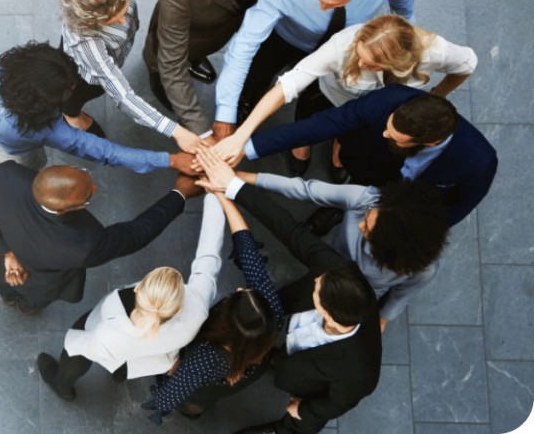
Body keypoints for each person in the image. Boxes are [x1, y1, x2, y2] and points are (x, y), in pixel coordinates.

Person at [194, 150, 381, 434]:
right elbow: (288, 229)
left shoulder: (360, 373)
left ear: (326, 313)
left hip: (304, 384)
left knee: (300, 425)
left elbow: (337, 403)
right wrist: (231, 187)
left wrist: (305, 410)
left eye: (317, 289)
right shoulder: (338, 271)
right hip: (285, 333)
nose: (315, 279)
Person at [213, 14, 476, 176]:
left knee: (353, 135)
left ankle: (339, 146)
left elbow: (467, 64)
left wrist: (438, 94)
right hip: (330, 96)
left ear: (398, 63)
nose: (360, 64)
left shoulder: (435, 52)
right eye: (359, 55)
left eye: (372, 64)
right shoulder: (342, 45)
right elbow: (289, 83)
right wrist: (241, 135)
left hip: (377, 112)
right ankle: (302, 145)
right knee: (308, 119)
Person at [37, 189, 229, 401]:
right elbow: (209, 254)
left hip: (111, 346)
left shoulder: (106, 333)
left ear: (138, 289)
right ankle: (119, 375)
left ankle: (62, 384)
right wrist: (216, 193)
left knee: (77, 348)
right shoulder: (199, 306)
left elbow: (82, 347)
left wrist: (215, 192)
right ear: (179, 308)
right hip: (148, 359)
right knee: (125, 364)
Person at [228, 84, 497, 234]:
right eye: (388, 126)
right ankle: (343, 202)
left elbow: (454, 211)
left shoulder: (479, 162)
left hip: (408, 196)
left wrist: (402, 231)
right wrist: (246, 147)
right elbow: (323, 124)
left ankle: (343, 210)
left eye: (395, 137)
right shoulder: (390, 99)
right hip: (369, 160)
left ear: (430, 143)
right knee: (356, 179)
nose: (384, 133)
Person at [211, 0, 415, 142]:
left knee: (322, 95)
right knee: (256, 74)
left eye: (334, 3)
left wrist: (406, 36)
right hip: (288, 37)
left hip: (347, 44)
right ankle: (245, 102)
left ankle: (305, 127)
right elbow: (244, 44)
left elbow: (404, 1)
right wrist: (225, 115)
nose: (323, 7)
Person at [0, 162, 202, 312]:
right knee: (34, 301)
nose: (95, 187)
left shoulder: (5, 176)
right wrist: (179, 193)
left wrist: (5, 250)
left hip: (2, 260)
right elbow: (136, 234)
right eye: (87, 197)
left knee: (3, 284)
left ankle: (7, 295)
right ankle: (25, 306)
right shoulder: (83, 245)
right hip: (44, 282)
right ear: (62, 211)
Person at [141, 175, 283, 426]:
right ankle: (195, 410)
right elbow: (249, 253)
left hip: (204, 376)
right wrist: (222, 194)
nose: (240, 287)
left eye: (237, 295)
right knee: (203, 395)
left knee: (193, 396)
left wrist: (173, 369)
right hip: (245, 372)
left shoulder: (206, 357)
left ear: (225, 323)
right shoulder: (270, 311)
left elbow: (168, 395)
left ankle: (192, 411)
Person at [229, 172, 449, 327]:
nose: (361, 225)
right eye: (366, 217)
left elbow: (401, 295)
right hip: (328, 259)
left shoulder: (423, 269)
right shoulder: (367, 199)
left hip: (356, 292)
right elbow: (305, 189)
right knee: (290, 298)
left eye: (369, 231)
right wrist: (240, 178)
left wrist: (381, 320)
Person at [0, 41, 197, 176]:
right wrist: (172, 160)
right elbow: (107, 152)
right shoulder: (45, 130)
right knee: (25, 170)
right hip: (13, 156)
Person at [59, 0, 208, 153]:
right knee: (76, 93)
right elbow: (124, 96)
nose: (123, 21)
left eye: (123, 11)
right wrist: (176, 131)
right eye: (114, 21)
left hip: (112, 54)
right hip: (85, 75)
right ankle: (71, 115)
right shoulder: (87, 42)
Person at [144, 0, 264, 135]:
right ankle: (158, 80)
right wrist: (200, 130)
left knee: (198, 51)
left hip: (217, 29)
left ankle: (194, 59)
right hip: (190, 32)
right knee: (163, 64)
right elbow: (172, 65)